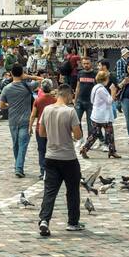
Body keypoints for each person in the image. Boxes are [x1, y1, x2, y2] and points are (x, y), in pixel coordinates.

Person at [36, 85, 85, 237]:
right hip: (68, 157)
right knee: (72, 191)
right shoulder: (70, 111)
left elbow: (42, 133)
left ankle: (44, 219)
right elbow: (78, 136)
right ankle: (72, 222)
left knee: (50, 191)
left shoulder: (47, 110)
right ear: (68, 95)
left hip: (50, 156)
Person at [1, 64, 39, 177]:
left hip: (12, 120)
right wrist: (29, 76)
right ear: (22, 73)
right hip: (25, 120)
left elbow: (1, 105)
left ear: (11, 73)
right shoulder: (28, 86)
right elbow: (43, 80)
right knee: (23, 144)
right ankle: (19, 167)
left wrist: (10, 105)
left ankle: (18, 166)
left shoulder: (6, 88)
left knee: (16, 145)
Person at [80, 67, 117, 159]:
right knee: (109, 133)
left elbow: (92, 100)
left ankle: (85, 148)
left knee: (95, 134)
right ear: (105, 79)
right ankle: (112, 151)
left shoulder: (95, 87)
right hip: (103, 116)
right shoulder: (101, 89)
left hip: (97, 115)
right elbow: (109, 101)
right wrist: (113, 91)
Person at [73, 56, 97, 136]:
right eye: (84, 64)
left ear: (91, 64)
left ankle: (89, 141)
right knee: (76, 121)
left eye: (87, 63)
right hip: (80, 101)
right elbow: (78, 87)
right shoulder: (80, 73)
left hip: (90, 102)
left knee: (90, 124)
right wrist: (75, 100)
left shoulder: (95, 74)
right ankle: (80, 138)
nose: (86, 65)